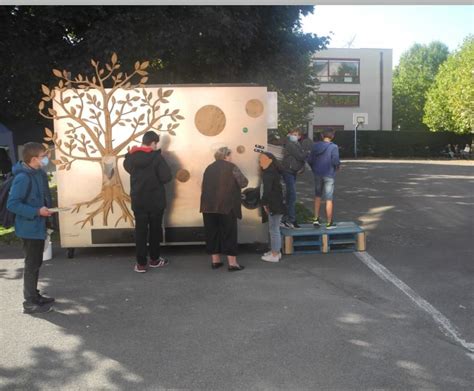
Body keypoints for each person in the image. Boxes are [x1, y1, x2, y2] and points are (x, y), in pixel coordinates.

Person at [7, 142, 54, 314]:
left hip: (38, 226)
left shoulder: (37, 173)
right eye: (43, 156)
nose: (46, 159)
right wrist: (36, 211)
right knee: (32, 264)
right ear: (34, 159)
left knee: (36, 263)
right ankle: (29, 302)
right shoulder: (22, 178)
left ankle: (34, 295)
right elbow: (12, 205)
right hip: (29, 228)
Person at [123, 131, 172, 273]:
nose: (156, 146)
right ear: (153, 143)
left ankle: (141, 264)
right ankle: (155, 260)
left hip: (139, 201)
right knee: (155, 231)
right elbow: (166, 177)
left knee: (140, 232)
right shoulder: (157, 158)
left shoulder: (131, 158)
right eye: (156, 143)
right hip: (156, 201)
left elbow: (128, 168)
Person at [200, 147, 248, 272]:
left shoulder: (209, 168)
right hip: (226, 206)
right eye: (230, 155)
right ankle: (233, 264)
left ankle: (215, 261)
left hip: (208, 206)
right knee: (229, 233)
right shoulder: (231, 167)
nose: (231, 158)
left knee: (212, 233)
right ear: (226, 156)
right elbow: (243, 183)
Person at [307, 128, 340, 229]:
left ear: (322, 135)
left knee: (317, 196)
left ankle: (316, 219)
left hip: (317, 173)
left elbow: (310, 160)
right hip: (329, 174)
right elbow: (335, 161)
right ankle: (329, 223)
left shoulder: (315, 146)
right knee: (329, 199)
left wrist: (314, 169)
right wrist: (338, 167)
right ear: (332, 136)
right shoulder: (334, 147)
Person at [259, 152, 285, 263]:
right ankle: (275, 251)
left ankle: (274, 254)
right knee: (274, 228)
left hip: (273, 204)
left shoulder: (268, 173)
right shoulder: (274, 171)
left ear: (270, 160)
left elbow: (267, 191)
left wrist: (264, 203)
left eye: (262, 159)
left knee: (274, 229)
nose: (260, 162)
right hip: (277, 203)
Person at [281, 128, 308, 229]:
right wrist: (307, 152)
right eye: (293, 134)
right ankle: (290, 220)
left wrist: (302, 167)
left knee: (289, 196)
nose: (294, 136)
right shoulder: (290, 144)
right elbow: (300, 156)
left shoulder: (297, 144)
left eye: (296, 134)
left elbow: (301, 159)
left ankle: (286, 219)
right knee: (291, 196)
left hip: (293, 172)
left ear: (300, 137)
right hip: (288, 171)